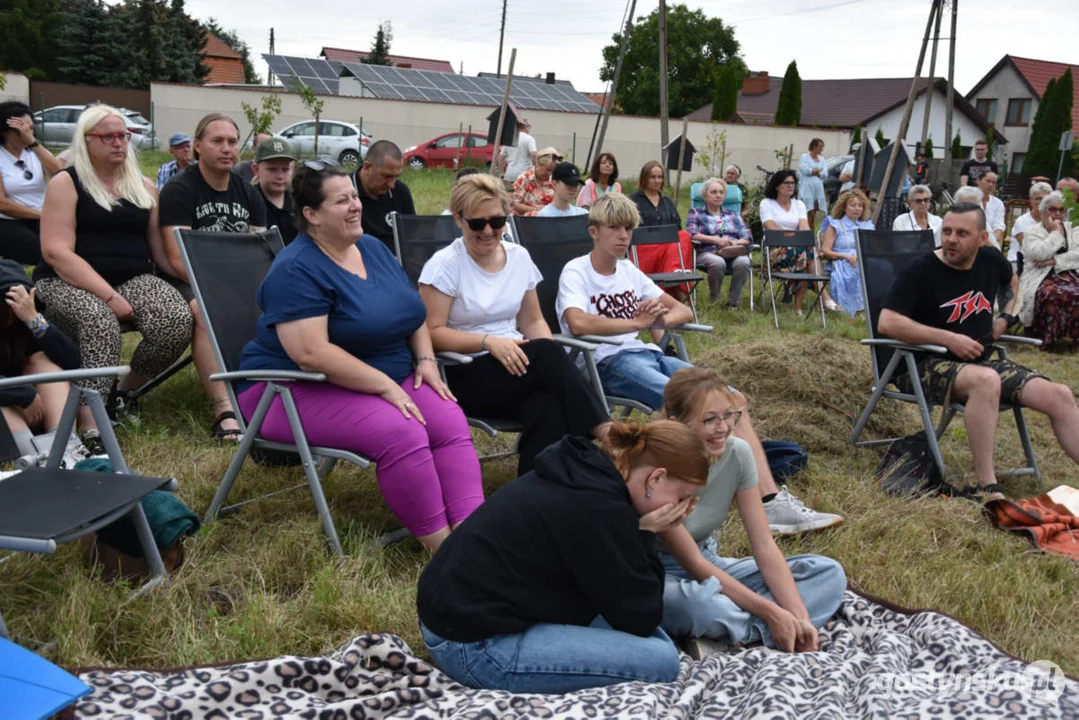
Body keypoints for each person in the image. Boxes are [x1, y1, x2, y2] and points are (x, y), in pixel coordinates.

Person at [559, 194, 843, 535]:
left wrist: (655, 321)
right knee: (699, 408)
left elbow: (682, 311)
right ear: (594, 232)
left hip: (649, 355)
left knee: (732, 400)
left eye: (628, 228)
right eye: (614, 228)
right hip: (606, 362)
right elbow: (577, 323)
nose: (623, 236)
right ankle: (714, 493)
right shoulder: (577, 271)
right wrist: (638, 324)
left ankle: (770, 502)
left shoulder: (629, 272)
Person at [237, 163, 483, 553]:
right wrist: (385, 386)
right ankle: (448, 553)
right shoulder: (296, 269)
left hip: (381, 375)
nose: (355, 206)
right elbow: (310, 353)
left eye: (354, 196)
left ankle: (475, 537)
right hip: (287, 389)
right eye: (342, 201)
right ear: (311, 215)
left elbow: (411, 311)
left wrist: (425, 360)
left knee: (448, 419)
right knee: (400, 431)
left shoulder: (370, 247)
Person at [416, 420, 709, 693]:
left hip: (459, 617)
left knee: (646, 637)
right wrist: (645, 533)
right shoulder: (601, 510)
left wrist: (639, 530)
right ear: (656, 478)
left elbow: (633, 606)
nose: (681, 508)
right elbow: (643, 616)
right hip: (475, 646)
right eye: (681, 497)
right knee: (661, 660)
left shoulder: (585, 471)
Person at [879, 203, 1079, 497]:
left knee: (1059, 395)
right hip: (921, 363)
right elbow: (887, 322)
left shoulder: (990, 259)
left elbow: (1011, 282)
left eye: (962, 233)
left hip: (980, 361)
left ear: (982, 238)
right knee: (986, 382)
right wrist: (949, 338)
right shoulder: (921, 270)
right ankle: (986, 484)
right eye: (946, 231)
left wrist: (1005, 317)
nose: (950, 239)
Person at [420, 173, 609, 474]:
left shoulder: (519, 257)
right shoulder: (445, 265)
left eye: (497, 221)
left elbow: (533, 320)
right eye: (477, 223)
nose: (488, 231)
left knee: (548, 401)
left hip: (518, 365)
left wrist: (541, 358)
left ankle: (535, 487)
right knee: (547, 354)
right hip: (464, 371)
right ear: (458, 219)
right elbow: (431, 332)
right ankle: (606, 433)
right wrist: (488, 342)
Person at [34, 105, 192, 449]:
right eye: (108, 136)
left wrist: (195, 282)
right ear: (87, 140)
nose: (119, 143)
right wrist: (109, 296)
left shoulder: (145, 187)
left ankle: (122, 392)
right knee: (99, 322)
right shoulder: (67, 182)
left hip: (131, 278)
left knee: (176, 319)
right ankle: (91, 423)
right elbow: (56, 253)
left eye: (124, 135)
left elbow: (160, 254)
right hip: (65, 280)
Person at [660, 367, 846, 655]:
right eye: (709, 419)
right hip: (661, 573)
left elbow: (763, 545)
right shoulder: (660, 466)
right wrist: (772, 613)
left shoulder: (737, 453)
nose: (723, 427)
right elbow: (694, 563)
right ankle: (750, 629)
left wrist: (800, 618)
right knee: (699, 606)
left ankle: (736, 634)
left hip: (711, 562)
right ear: (676, 424)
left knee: (828, 573)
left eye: (730, 416)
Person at [159, 113, 268, 441]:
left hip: (234, 279)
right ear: (197, 146)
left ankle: (264, 391)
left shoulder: (249, 193)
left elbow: (258, 249)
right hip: (185, 278)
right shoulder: (179, 190)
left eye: (232, 142)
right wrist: (219, 288)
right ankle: (225, 410)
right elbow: (177, 258)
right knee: (204, 312)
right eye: (217, 141)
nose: (226, 149)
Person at [0, 261, 98, 467]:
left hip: (30, 409)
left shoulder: (23, 324)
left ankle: (67, 448)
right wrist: (24, 395)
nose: (13, 311)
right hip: (10, 412)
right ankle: (38, 459)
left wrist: (33, 319)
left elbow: (71, 362)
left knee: (42, 361)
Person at [759, 169, 837, 315]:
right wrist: (795, 237)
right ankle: (822, 298)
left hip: (800, 251)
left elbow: (805, 229)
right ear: (777, 186)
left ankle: (800, 309)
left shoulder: (799, 204)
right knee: (809, 253)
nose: (790, 186)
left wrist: (796, 238)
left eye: (793, 183)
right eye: (786, 183)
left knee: (806, 256)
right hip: (776, 251)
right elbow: (771, 229)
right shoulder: (767, 203)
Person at [0, 101, 63, 265]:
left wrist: (33, 142)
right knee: (43, 251)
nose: (27, 134)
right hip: (8, 221)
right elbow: (2, 204)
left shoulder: (35, 152)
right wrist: (42, 215)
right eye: (21, 130)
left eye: (30, 129)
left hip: (40, 217)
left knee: (68, 245)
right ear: (6, 131)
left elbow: (59, 174)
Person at [1018, 192, 1079, 348]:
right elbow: (1038, 253)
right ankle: (1046, 337)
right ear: (1043, 211)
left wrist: (1054, 260)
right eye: (1052, 209)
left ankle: (1073, 335)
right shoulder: (1033, 231)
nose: (1057, 213)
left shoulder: (1073, 229)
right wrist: (1055, 233)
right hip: (1039, 277)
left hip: (1070, 274)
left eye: (1061, 210)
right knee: (1052, 294)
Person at [627, 161, 694, 300]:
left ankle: (676, 277)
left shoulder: (667, 201)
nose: (657, 181)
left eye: (660, 177)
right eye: (653, 177)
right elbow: (628, 228)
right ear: (644, 178)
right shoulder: (633, 200)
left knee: (684, 235)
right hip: (643, 250)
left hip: (668, 251)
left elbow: (677, 227)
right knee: (675, 249)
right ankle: (681, 293)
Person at [686, 178, 751, 307]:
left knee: (744, 262)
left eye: (721, 192)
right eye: (714, 192)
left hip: (732, 252)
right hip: (707, 251)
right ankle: (715, 299)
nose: (718, 195)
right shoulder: (696, 213)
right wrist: (716, 240)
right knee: (717, 262)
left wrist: (735, 242)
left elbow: (747, 236)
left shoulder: (733, 214)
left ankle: (733, 302)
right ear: (705, 196)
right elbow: (691, 233)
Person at [350, 140, 415, 252]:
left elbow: (412, 236)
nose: (392, 185)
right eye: (387, 176)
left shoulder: (401, 192)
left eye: (396, 177)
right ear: (367, 167)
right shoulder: (345, 193)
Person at [820, 190, 874, 316]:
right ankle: (857, 310)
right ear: (844, 207)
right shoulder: (835, 224)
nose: (857, 208)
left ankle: (874, 308)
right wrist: (845, 256)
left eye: (860, 206)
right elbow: (825, 250)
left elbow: (872, 247)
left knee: (883, 268)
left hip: (863, 258)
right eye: (853, 205)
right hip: (841, 260)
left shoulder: (866, 226)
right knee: (855, 269)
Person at [251, 137, 298, 245]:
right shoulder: (249, 200)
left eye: (285, 169)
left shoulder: (299, 200)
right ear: (256, 170)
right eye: (272, 169)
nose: (280, 176)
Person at [1008, 181, 1052, 275]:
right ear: (1031, 201)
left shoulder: (1053, 221)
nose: (1041, 202)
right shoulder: (1022, 221)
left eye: (1045, 199)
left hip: (1045, 262)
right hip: (1019, 261)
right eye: (1038, 199)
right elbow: (1028, 248)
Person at [511, 146, 559, 216]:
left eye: (552, 171)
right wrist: (536, 209)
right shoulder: (524, 179)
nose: (550, 174)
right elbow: (513, 204)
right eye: (548, 170)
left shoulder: (553, 181)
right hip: (527, 221)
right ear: (539, 164)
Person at [498, 118, 536, 188]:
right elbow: (533, 155)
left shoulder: (510, 138)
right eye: (529, 127)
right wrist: (535, 168)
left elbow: (501, 158)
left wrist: (501, 172)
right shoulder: (529, 139)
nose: (529, 129)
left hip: (510, 174)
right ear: (525, 126)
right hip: (525, 173)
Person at [798, 138, 828, 215]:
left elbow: (825, 173)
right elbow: (806, 170)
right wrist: (818, 170)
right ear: (814, 146)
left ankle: (812, 227)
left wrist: (815, 172)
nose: (822, 149)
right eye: (820, 147)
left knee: (815, 210)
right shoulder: (805, 157)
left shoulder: (822, 159)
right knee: (808, 211)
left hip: (818, 189)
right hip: (807, 188)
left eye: (822, 147)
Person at [976, 171, 1005, 248]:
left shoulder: (998, 203)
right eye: (988, 181)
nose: (991, 185)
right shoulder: (970, 199)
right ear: (978, 181)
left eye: (994, 183)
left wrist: (995, 239)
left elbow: (999, 224)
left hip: (991, 241)